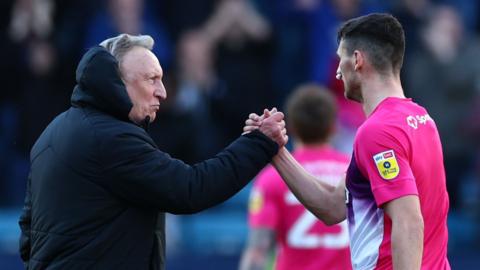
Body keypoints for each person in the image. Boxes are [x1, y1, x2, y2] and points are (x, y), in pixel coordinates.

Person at [18, 33, 287, 270]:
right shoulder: (110, 138)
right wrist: (258, 143)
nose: (163, 92)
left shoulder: (54, 130)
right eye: (152, 79)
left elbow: (27, 232)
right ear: (115, 82)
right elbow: (191, 189)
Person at [245, 13, 450, 269]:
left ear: (357, 60)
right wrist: (276, 150)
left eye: (340, 58)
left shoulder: (377, 131)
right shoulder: (422, 119)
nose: (338, 70)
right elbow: (332, 207)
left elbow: (409, 222)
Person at [239, 84, 352, 270]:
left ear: (290, 127)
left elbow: (257, 251)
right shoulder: (353, 171)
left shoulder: (273, 177)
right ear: (334, 127)